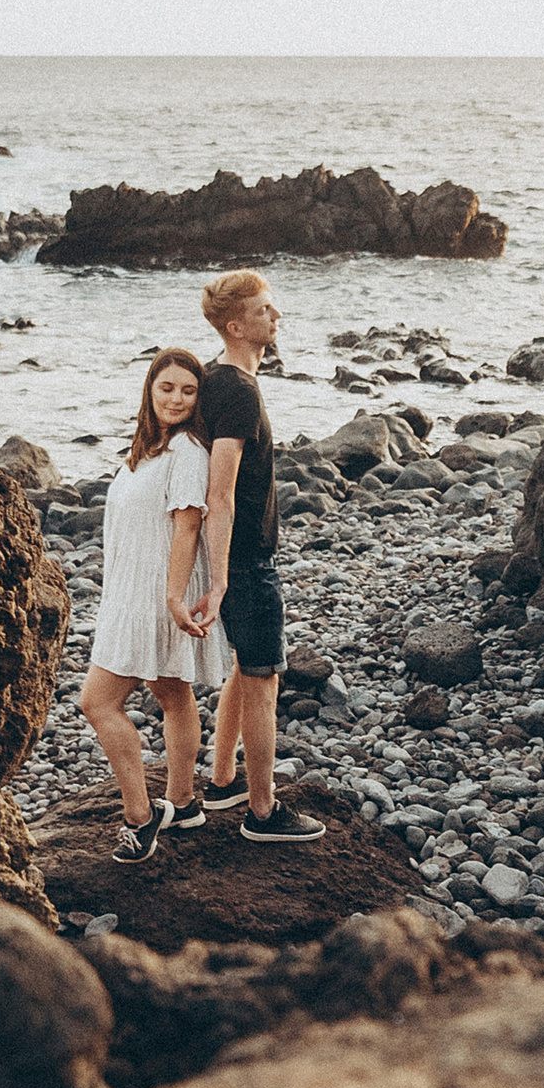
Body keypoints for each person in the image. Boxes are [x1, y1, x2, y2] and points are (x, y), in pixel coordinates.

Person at [78, 346, 231, 865]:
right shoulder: (150, 447)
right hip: (132, 590)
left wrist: (172, 597)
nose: (176, 398)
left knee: (97, 703)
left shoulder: (188, 450)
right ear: (149, 388)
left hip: (157, 594)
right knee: (171, 691)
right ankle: (184, 803)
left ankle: (141, 820)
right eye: (167, 387)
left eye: (188, 391)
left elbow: (188, 527)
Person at [191, 270, 325, 843]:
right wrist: (220, 579)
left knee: (246, 673)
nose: (277, 317)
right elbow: (219, 494)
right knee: (265, 677)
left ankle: (224, 781)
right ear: (236, 325)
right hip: (245, 561)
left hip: (237, 558)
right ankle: (264, 814)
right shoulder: (239, 391)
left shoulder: (215, 376)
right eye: (267, 310)